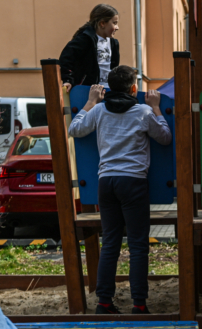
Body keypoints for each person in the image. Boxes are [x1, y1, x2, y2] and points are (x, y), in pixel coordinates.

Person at [67, 66, 172, 315]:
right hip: (133, 182)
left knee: (111, 243)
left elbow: (74, 129)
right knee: (137, 245)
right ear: (134, 89)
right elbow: (165, 137)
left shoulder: (100, 110)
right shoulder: (144, 112)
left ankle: (104, 303)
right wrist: (157, 108)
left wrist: (91, 102)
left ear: (109, 88)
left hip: (107, 182)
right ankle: (138, 304)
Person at [59, 4, 120, 90]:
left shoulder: (113, 43)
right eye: (114, 23)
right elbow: (66, 59)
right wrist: (68, 79)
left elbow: (114, 68)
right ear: (102, 23)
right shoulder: (85, 39)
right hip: (87, 89)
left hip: (108, 89)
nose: (117, 27)